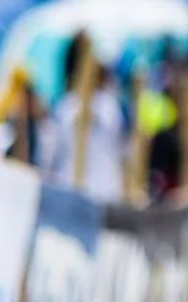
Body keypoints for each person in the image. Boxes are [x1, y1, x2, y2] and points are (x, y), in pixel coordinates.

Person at [33, 33, 128, 203]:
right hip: (82, 192)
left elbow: (48, 158)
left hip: (99, 195)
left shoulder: (103, 107)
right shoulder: (68, 108)